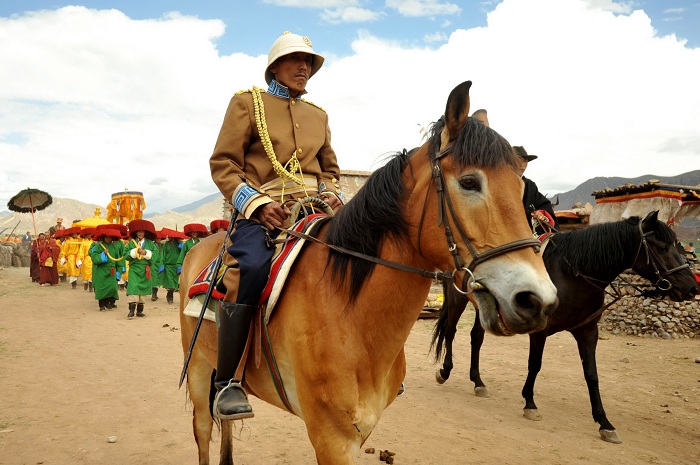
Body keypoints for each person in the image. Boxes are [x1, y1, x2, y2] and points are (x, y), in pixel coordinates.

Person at [208, 31, 343, 420]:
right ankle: (228, 381)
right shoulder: (247, 104)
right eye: (295, 60)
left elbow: (330, 169)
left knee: (359, 259)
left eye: (309, 63)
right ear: (275, 66)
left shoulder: (319, 116)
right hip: (265, 210)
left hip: (315, 209)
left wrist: (331, 191)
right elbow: (223, 164)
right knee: (250, 267)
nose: (305, 68)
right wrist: (256, 203)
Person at [512, 146, 559, 234]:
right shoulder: (497, 184)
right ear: (509, 162)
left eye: (525, 161)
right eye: (518, 160)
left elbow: (544, 205)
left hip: (527, 235)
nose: (522, 165)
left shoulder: (529, 185)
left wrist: (539, 214)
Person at [124, 219, 159, 318]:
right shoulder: (132, 243)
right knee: (133, 288)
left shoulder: (150, 244)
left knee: (143, 290)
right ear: (136, 233)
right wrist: (134, 252)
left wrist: (146, 253)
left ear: (145, 233)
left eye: (142, 232)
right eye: (138, 232)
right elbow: (125, 255)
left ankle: (139, 311)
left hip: (145, 269)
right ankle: (131, 311)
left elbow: (156, 254)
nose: (140, 233)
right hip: (134, 269)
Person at [90, 226, 124, 311]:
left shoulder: (114, 247)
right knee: (101, 288)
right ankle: (101, 305)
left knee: (111, 287)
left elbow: (118, 259)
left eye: (109, 237)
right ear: (103, 237)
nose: (108, 239)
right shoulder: (98, 246)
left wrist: (119, 270)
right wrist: (103, 254)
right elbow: (94, 257)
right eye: (106, 237)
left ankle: (108, 303)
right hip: (101, 271)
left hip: (111, 271)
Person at [160, 228, 187, 304]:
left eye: (172, 236)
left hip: (176, 266)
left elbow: (183, 252)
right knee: (170, 283)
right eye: (169, 236)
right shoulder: (166, 245)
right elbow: (163, 254)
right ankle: (170, 296)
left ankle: (169, 294)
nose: (170, 238)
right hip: (168, 266)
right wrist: (162, 264)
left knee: (175, 282)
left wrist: (180, 242)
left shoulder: (178, 244)